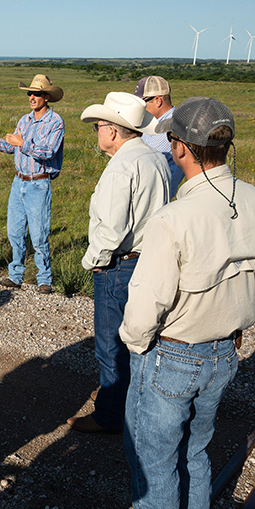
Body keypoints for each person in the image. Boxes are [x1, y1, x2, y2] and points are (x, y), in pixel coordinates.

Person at [107, 97, 255, 509]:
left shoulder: (172, 219)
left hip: (173, 354)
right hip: (224, 352)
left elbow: (146, 306)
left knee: (154, 455)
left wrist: (137, 346)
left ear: (180, 147)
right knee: (196, 448)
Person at [67, 92, 170, 435]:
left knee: (112, 345)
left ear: (112, 131)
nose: (96, 132)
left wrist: (94, 262)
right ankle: (135, 405)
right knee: (142, 340)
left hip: (119, 265)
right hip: (150, 261)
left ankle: (110, 415)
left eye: (98, 126)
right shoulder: (153, 158)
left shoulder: (122, 167)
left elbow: (111, 229)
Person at [0, 74, 65, 292]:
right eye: (29, 93)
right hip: (18, 181)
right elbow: (13, 147)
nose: (31, 97)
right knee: (15, 232)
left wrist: (23, 143)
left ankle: (44, 279)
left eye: (36, 93)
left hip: (39, 183)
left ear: (46, 97)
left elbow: (48, 151)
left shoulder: (55, 122)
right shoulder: (24, 120)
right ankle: (15, 275)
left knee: (39, 235)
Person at [135, 76, 184, 198]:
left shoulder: (170, 128)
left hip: (155, 197)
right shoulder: (152, 121)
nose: (138, 108)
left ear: (158, 100)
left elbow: (142, 162)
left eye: (142, 102)